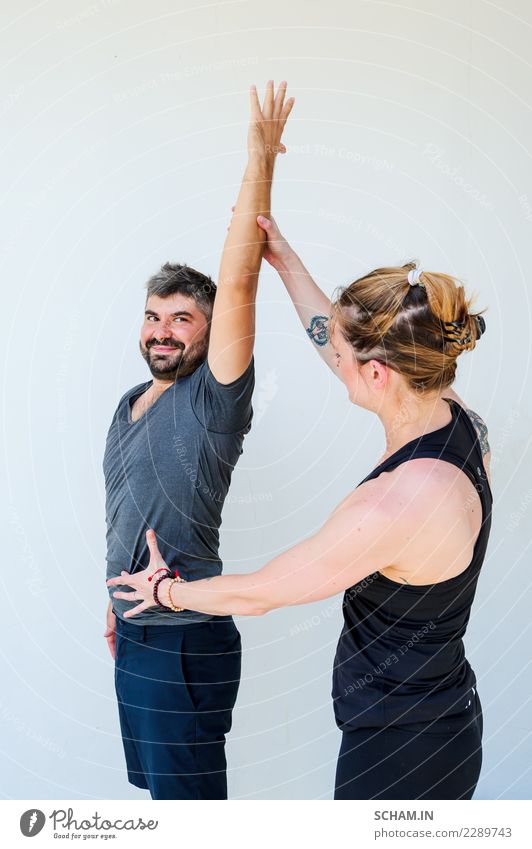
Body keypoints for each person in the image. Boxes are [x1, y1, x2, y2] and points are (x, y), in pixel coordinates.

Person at [108, 226, 492, 800]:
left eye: (341, 357)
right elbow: (341, 336)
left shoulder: (395, 504)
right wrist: (283, 258)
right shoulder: (456, 420)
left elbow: (263, 592)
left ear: (378, 373)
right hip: (444, 717)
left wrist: (166, 592)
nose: (332, 359)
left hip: (399, 751)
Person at [103, 81, 294, 800]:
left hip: (186, 631)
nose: (162, 329)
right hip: (138, 630)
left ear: (212, 333)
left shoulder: (213, 400)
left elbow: (241, 280)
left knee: (192, 821)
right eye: (154, 316)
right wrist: (115, 605)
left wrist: (259, 161)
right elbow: (128, 508)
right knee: (163, 806)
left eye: (183, 318)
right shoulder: (128, 403)